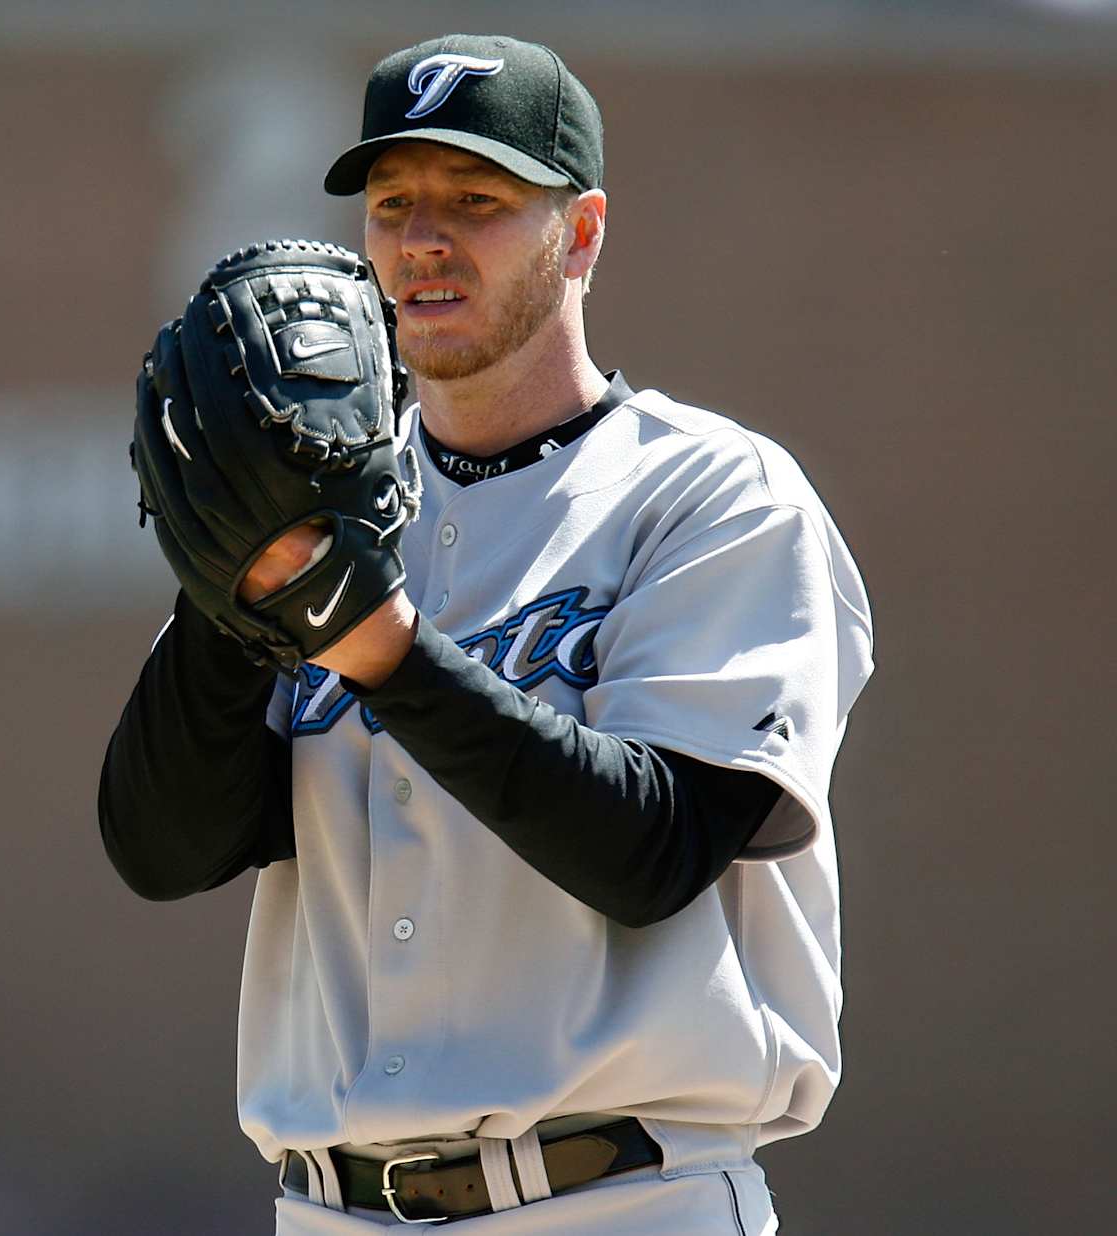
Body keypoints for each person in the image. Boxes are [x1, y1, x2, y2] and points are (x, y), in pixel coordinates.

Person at [100, 33, 873, 1234]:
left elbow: (653, 850)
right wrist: (228, 601)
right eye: (395, 203)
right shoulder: (336, 502)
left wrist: (385, 654)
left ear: (581, 232)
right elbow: (163, 851)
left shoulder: (712, 497)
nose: (424, 240)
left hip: (623, 1197)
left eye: (480, 200)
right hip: (331, 1208)